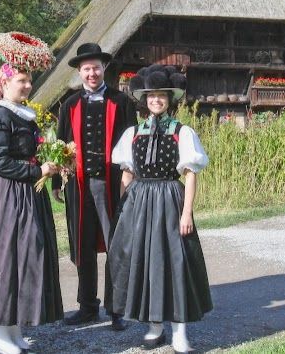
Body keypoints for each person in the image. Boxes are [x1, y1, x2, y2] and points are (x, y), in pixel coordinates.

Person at [0, 32, 62, 354]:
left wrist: (52, 163)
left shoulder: (22, 114)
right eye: (21, 80)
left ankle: (13, 330)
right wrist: (38, 171)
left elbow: (29, 153)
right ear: (5, 83)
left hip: (27, 195)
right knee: (4, 261)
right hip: (7, 195)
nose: (27, 85)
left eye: (29, 80)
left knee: (24, 259)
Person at [109, 65, 213, 354]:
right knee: (145, 261)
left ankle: (179, 332)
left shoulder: (182, 132)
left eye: (161, 96)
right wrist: (124, 207)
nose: (156, 100)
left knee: (174, 262)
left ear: (169, 99)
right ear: (145, 99)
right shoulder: (133, 132)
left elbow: (191, 174)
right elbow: (127, 173)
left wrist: (187, 212)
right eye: (151, 96)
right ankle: (154, 327)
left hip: (170, 198)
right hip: (139, 202)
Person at [51, 42, 137, 331]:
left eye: (96, 68)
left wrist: (130, 181)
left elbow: (132, 146)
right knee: (82, 245)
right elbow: (61, 146)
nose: (92, 73)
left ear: (104, 69)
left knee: (116, 244)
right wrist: (55, 183)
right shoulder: (70, 105)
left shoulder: (122, 102)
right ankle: (87, 306)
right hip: (78, 185)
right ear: (79, 72)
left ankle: (117, 309)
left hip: (111, 184)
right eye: (86, 69)